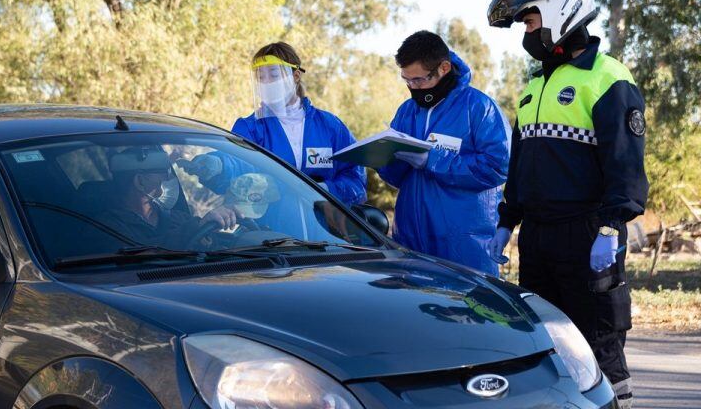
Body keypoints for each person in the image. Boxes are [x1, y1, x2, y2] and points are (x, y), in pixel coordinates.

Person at [486, 0, 648, 409]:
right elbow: (519, 167)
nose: (525, 30)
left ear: (561, 10)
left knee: (599, 342)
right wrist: (507, 221)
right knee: (545, 345)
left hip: (590, 233)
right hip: (537, 237)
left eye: (529, 20)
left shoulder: (607, 77)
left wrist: (612, 227)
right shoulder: (532, 89)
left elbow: (625, 163)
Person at [377, 31, 511, 275]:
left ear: (444, 68)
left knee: (466, 312)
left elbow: (496, 168)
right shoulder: (407, 111)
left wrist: (433, 159)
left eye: (419, 80)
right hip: (410, 241)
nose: (413, 88)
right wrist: (381, 159)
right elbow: (395, 177)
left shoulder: (480, 108)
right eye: (407, 80)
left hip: (464, 247)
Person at [181, 42, 366, 206]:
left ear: (295, 76)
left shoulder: (329, 126)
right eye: (261, 77)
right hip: (273, 234)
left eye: (274, 75)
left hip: (325, 232)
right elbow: (237, 167)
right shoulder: (251, 128)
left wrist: (325, 190)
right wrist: (218, 164)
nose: (266, 82)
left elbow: (355, 175)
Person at [99, 147, 236, 250]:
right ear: (140, 182)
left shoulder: (178, 218)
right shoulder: (106, 228)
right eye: (164, 175)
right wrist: (195, 228)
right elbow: (142, 254)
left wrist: (210, 229)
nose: (171, 180)